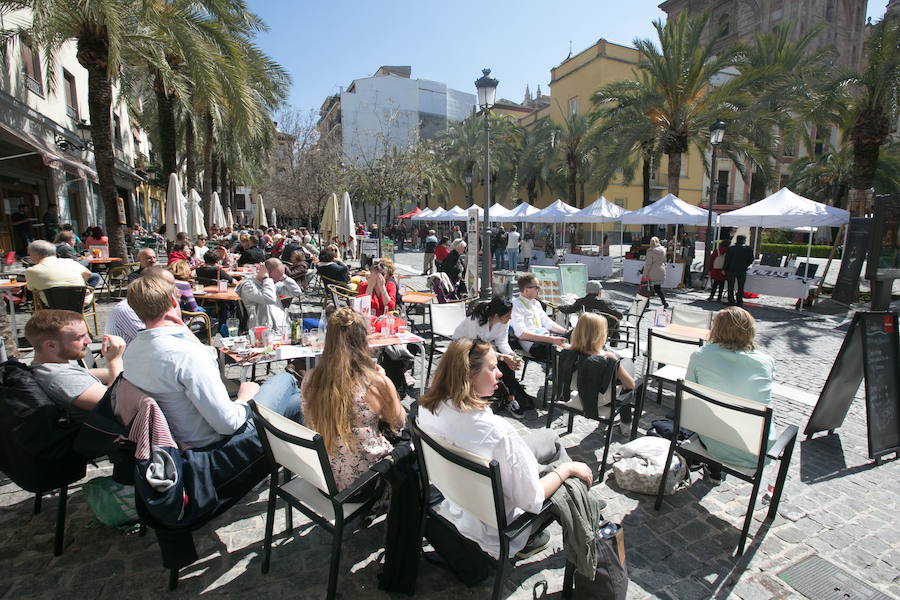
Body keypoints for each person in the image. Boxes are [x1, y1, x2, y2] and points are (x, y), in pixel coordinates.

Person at [122, 272, 302, 496]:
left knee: (298, 401)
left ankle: (291, 461)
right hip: (214, 446)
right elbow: (228, 424)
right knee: (286, 379)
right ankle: (297, 463)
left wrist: (185, 333)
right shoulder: (186, 355)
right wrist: (245, 397)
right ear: (174, 303)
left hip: (175, 437)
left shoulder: (133, 350)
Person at [417, 338, 593, 558]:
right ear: (469, 375)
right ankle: (581, 507)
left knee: (550, 437)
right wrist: (567, 470)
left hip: (460, 499)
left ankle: (584, 500)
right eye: (492, 368)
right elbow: (532, 499)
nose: (500, 373)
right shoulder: (497, 432)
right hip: (498, 527)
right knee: (568, 472)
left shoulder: (427, 407)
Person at [301, 307, 405, 490]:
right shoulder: (374, 383)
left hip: (324, 478)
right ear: (363, 340)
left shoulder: (310, 379)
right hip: (366, 483)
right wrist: (384, 382)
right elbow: (398, 422)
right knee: (408, 441)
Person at [685, 306, 775, 483]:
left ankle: (701, 463)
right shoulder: (766, 362)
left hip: (714, 440)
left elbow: (690, 398)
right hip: (757, 447)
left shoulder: (701, 356)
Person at [25, 309, 126, 422]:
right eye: (80, 337)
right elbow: (118, 406)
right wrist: (115, 361)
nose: (88, 341)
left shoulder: (52, 366)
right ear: (51, 345)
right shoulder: (60, 377)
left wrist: (129, 373)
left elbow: (88, 373)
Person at [453, 297, 537, 419]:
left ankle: (510, 399)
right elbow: (474, 347)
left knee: (508, 363)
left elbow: (502, 342)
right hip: (463, 348)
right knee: (490, 363)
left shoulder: (503, 322)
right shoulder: (475, 321)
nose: (510, 318)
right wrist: (501, 356)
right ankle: (477, 396)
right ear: (497, 315)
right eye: (508, 315)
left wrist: (511, 355)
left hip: (482, 348)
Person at [565, 312, 636, 435]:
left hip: (576, 393)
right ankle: (626, 425)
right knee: (629, 381)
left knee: (622, 372)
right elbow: (631, 385)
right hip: (602, 401)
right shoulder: (609, 359)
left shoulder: (566, 352)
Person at [510, 273, 568, 360]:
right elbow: (521, 334)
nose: (539, 290)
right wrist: (551, 339)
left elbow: (549, 323)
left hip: (546, 337)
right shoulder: (515, 305)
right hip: (533, 344)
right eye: (537, 287)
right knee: (568, 351)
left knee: (576, 340)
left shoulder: (536, 303)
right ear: (526, 290)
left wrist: (566, 332)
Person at [24, 240, 99, 305]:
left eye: (30, 255)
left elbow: (31, 289)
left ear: (36, 255)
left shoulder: (32, 271)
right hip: (80, 302)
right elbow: (88, 273)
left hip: (53, 305)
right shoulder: (70, 262)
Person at [235, 258, 302, 330]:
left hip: (282, 326)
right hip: (262, 329)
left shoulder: (273, 282)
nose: (278, 280)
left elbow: (297, 292)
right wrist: (266, 278)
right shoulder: (248, 286)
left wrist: (285, 278)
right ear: (266, 273)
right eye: (277, 277)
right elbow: (269, 299)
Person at [558, 280, 623, 342]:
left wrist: (559, 307)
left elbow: (569, 309)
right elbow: (619, 315)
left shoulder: (581, 301)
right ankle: (613, 343)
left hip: (585, 330)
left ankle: (561, 340)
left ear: (587, 291)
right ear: (599, 291)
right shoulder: (605, 303)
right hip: (602, 331)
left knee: (574, 331)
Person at [724, 235, 754, 306]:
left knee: (730, 286)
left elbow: (727, 260)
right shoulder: (748, 249)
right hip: (742, 270)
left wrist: (724, 268)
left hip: (731, 269)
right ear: (744, 240)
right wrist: (746, 265)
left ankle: (731, 300)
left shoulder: (731, 248)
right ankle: (739, 301)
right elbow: (751, 259)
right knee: (741, 286)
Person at [643, 236, 668, 309]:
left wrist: (644, 274)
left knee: (647, 288)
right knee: (658, 289)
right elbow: (664, 261)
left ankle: (647, 304)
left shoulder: (650, 251)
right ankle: (664, 302)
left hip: (652, 272)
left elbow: (648, 264)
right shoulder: (663, 250)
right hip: (661, 270)